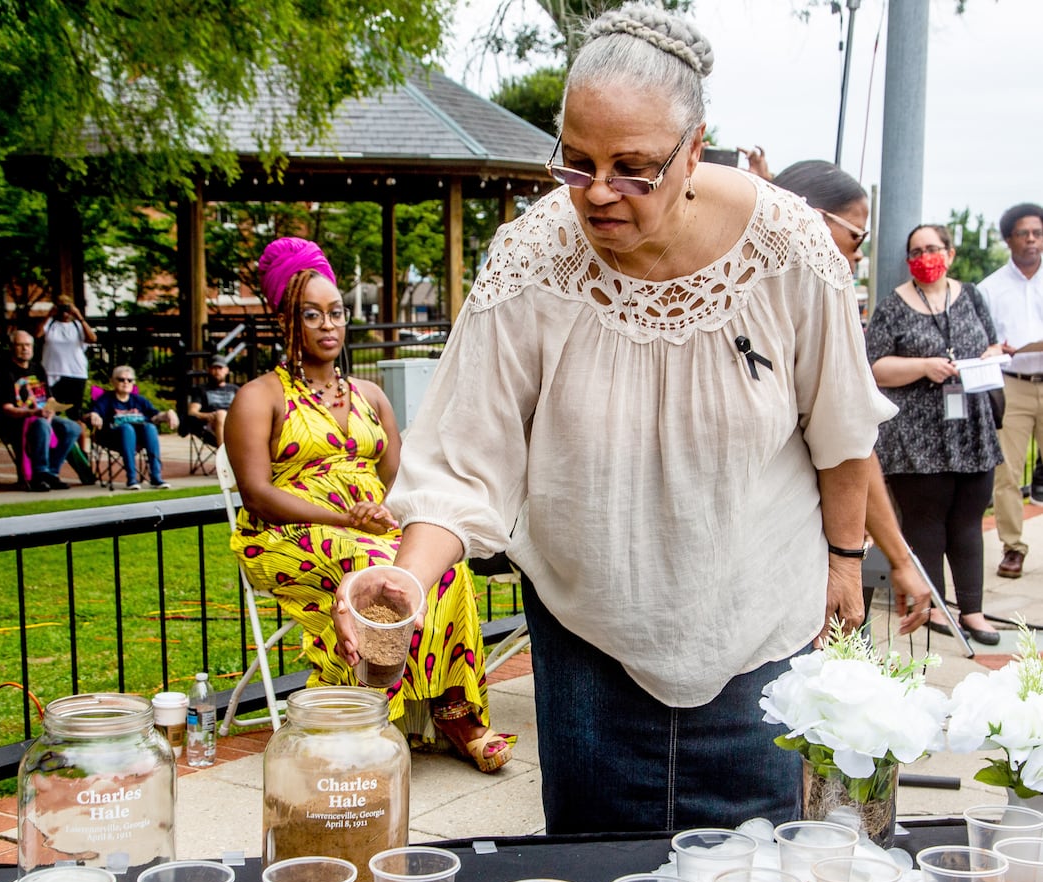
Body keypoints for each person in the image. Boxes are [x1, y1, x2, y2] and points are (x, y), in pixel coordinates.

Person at [332, 4, 895, 834]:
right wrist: (409, 579)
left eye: (634, 168)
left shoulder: (790, 249)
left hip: (762, 635)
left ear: (694, 149)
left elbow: (842, 435)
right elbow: (463, 457)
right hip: (590, 645)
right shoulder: (533, 259)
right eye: (578, 161)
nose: (598, 194)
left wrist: (845, 567)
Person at [223, 237, 512, 774]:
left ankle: (453, 708)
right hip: (287, 533)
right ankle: (363, 716)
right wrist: (344, 517)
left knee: (437, 565)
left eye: (337, 312)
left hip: (369, 529)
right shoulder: (259, 397)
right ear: (287, 321)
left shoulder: (371, 396)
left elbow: (403, 481)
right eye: (313, 314)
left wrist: (388, 514)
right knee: (370, 572)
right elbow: (258, 496)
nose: (329, 324)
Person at [772, 160, 931, 632]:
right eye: (857, 238)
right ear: (812, 217)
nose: (858, 256)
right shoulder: (801, 304)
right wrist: (896, 560)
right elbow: (852, 449)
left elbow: (852, 443)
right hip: (788, 555)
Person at [865, 224, 1004, 645]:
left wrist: (986, 359)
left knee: (968, 522)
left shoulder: (973, 296)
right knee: (926, 524)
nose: (926, 256)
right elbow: (875, 367)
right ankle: (936, 607)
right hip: (916, 437)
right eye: (917, 250)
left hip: (971, 428)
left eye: (933, 248)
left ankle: (974, 611)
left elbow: (993, 345)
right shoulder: (893, 305)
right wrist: (925, 366)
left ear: (950, 252)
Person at [978, 203, 1043, 579]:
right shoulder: (991, 289)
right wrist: (996, 347)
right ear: (1009, 239)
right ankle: (1013, 548)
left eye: (1037, 232)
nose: (1032, 239)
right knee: (1007, 471)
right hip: (1013, 384)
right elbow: (983, 341)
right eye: (1024, 233)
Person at [0, 330, 82, 491]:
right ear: (12, 347)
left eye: (28, 345)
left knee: (72, 428)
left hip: (42, 416)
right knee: (41, 424)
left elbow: (50, 399)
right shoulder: (5, 373)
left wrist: (51, 412)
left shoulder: (37, 369)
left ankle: (51, 473)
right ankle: (39, 474)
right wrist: (34, 413)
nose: (25, 349)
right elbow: (7, 409)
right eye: (20, 345)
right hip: (16, 421)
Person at [88, 365, 177, 489]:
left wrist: (168, 414)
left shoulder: (139, 400)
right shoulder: (106, 399)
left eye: (129, 380)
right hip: (113, 438)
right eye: (121, 379)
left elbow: (155, 416)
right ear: (113, 381)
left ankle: (156, 477)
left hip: (139, 439)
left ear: (133, 382)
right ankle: (131, 478)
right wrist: (94, 415)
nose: (126, 382)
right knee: (127, 429)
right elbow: (93, 413)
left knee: (150, 427)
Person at [36, 296, 97, 421]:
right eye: (61, 306)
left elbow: (92, 339)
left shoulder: (77, 325)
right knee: (49, 410)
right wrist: (49, 315)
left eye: (67, 306)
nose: (64, 310)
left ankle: (79, 439)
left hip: (75, 373)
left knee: (75, 413)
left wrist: (79, 317)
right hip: (51, 372)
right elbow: (37, 334)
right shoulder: (51, 323)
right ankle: (52, 438)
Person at [187, 355, 238, 447]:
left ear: (226, 370)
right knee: (221, 414)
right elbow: (192, 412)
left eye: (220, 368)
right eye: (214, 368)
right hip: (211, 427)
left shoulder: (235, 389)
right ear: (209, 370)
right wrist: (209, 415)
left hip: (236, 424)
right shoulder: (201, 389)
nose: (217, 371)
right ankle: (224, 454)